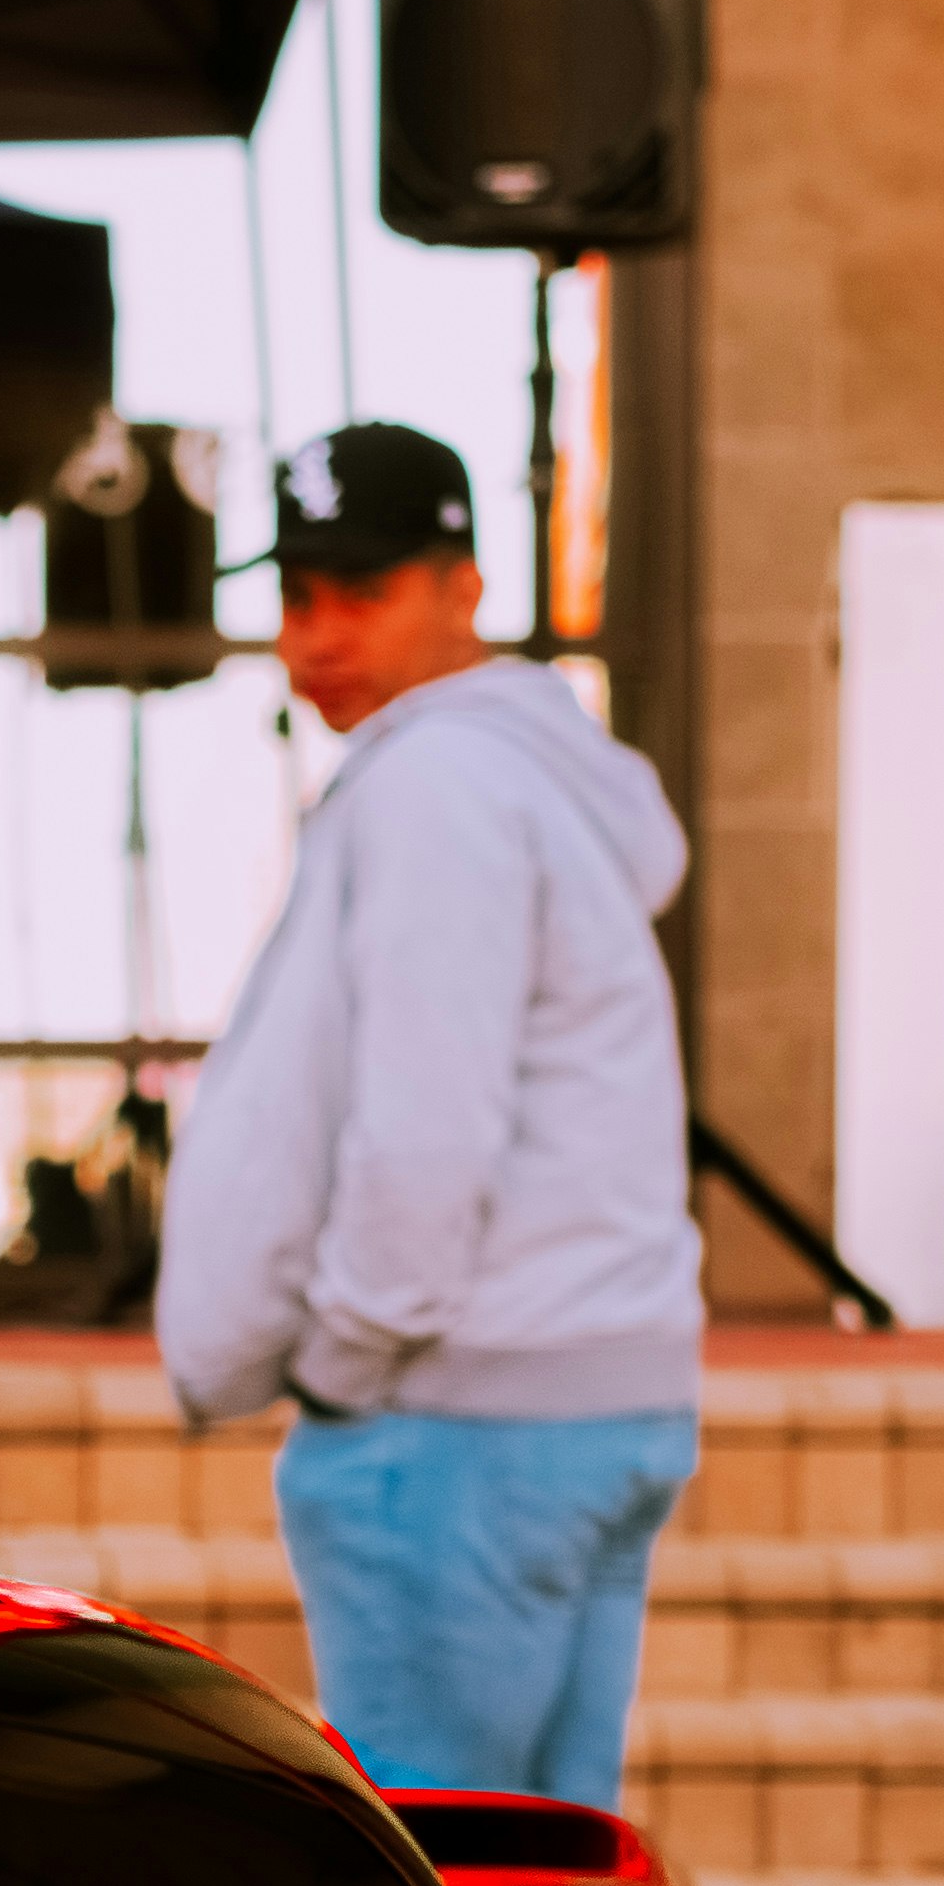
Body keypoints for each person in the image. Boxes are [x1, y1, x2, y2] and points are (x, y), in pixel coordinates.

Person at [153, 421, 703, 1813]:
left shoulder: (434, 787)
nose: (314, 637)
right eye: (293, 598)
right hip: (589, 1387)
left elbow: (421, 1130)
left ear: (459, 587)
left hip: (462, 1406)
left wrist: (344, 1361)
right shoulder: (531, 778)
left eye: (360, 592)